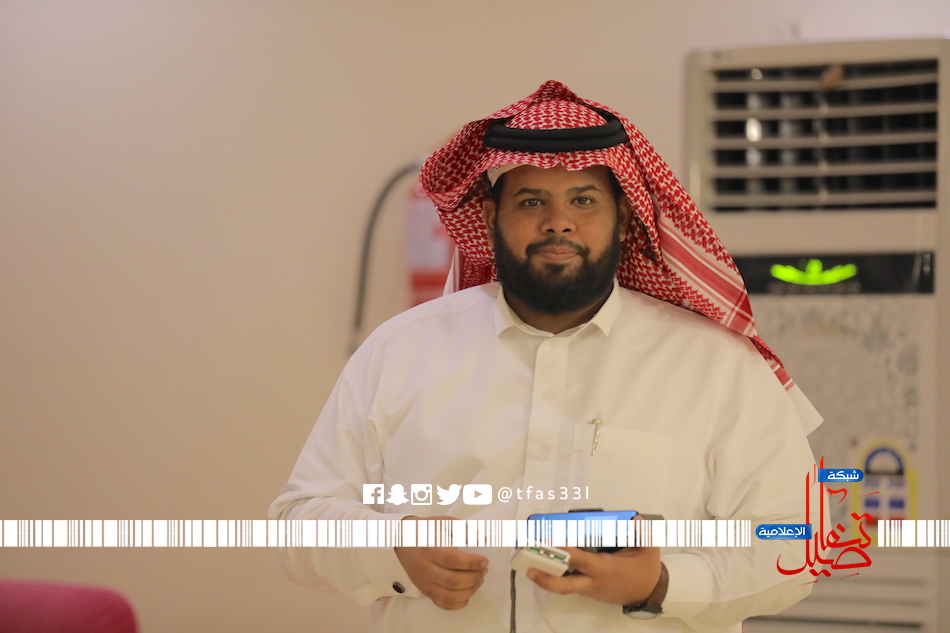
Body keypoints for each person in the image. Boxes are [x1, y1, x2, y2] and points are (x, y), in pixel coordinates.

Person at [269, 80, 823, 633]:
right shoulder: (401, 350)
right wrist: (391, 549)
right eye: (532, 201)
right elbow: (298, 520)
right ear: (491, 218)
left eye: (583, 200)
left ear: (623, 217)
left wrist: (660, 583)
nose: (558, 222)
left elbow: (796, 542)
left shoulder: (716, 366)